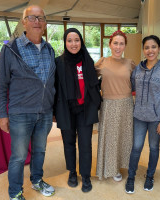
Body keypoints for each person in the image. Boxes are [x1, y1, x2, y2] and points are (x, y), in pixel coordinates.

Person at [0, 5, 56, 200]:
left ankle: (37, 180)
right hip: (20, 113)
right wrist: (2, 115)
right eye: (32, 18)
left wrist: (52, 108)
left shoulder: (49, 49)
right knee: (19, 157)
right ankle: (15, 192)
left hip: (44, 112)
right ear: (24, 22)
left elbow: (51, 82)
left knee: (40, 150)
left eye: (41, 18)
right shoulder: (10, 49)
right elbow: (1, 85)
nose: (37, 21)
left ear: (45, 23)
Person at [54, 28, 101, 193]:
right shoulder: (58, 62)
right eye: (70, 40)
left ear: (81, 42)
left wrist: (97, 103)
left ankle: (86, 175)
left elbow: (94, 85)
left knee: (85, 144)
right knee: (68, 143)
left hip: (85, 109)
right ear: (65, 43)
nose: (73, 44)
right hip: (65, 109)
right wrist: (54, 112)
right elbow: (55, 88)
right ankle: (72, 172)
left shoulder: (88, 60)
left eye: (77, 40)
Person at [125, 35, 160, 194]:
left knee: (154, 147)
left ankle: (150, 176)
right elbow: (129, 85)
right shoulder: (137, 68)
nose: (150, 50)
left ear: (159, 48)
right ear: (143, 50)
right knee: (136, 147)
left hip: (156, 118)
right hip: (138, 116)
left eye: (153, 47)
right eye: (147, 47)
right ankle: (131, 177)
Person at [95, 30, 135, 181]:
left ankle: (120, 165)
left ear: (125, 46)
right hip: (109, 105)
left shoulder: (130, 63)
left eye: (121, 44)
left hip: (126, 105)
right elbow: (88, 79)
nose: (118, 47)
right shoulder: (102, 62)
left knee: (124, 138)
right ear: (110, 44)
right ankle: (110, 168)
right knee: (110, 138)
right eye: (115, 43)